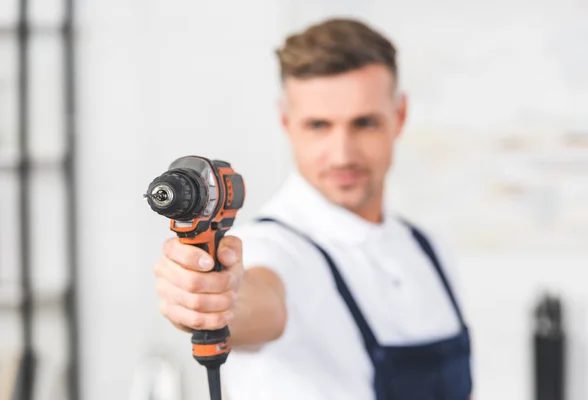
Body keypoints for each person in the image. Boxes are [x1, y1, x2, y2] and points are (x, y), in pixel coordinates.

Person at [152, 17, 473, 400]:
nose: (342, 154)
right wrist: (217, 298)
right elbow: (259, 300)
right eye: (319, 125)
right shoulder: (274, 248)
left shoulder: (429, 250)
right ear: (286, 123)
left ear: (399, 116)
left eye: (364, 123)